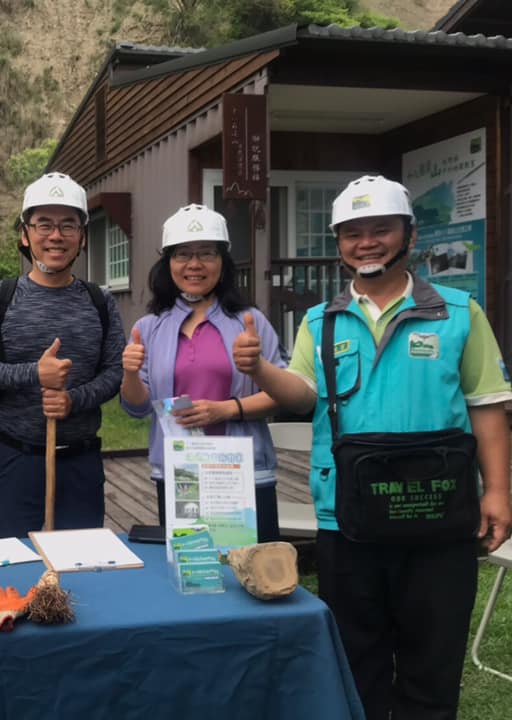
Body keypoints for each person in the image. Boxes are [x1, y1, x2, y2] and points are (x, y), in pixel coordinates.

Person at [232, 175, 512, 720]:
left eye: (380, 229)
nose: (366, 243)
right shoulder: (321, 320)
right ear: (339, 243)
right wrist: (260, 369)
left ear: (409, 235)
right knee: (357, 660)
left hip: (438, 514)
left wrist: (498, 490)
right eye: (352, 233)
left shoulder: (458, 313)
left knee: (433, 661)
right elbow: (303, 395)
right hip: (348, 518)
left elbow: (486, 405)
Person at [0, 172, 125, 540]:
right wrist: (34, 374)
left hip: (80, 463)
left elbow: (114, 371)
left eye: (68, 225)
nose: (56, 235)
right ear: (25, 234)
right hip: (12, 460)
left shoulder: (100, 301)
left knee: (78, 564)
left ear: (82, 236)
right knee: (7, 564)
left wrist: (73, 400)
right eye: (44, 224)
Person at [119, 204, 286, 539]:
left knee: (252, 566)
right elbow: (137, 408)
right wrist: (131, 374)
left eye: (207, 253)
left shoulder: (249, 321)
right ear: (168, 263)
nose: (194, 264)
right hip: (182, 473)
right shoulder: (149, 327)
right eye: (182, 254)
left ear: (223, 263)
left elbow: (281, 395)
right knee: (192, 563)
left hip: (242, 472)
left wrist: (226, 409)